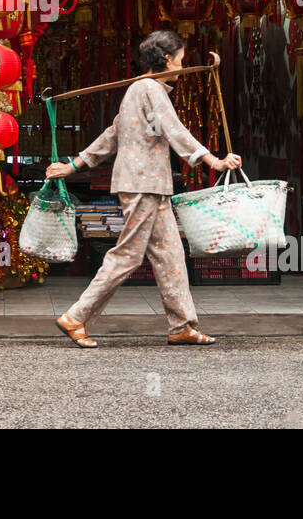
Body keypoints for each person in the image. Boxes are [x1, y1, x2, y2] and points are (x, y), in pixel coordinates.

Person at [45, 30, 242, 347]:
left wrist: (74, 165)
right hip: (142, 184)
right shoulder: (149, 89)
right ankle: (76, 317)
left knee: (170, 255)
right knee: (127, 255)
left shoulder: (140, 90)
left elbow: (113, 133)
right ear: (167, 58)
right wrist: (213, 161)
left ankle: (181, 326)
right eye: (180, 58)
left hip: (151, 184)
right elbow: (172, 128)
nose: (182, 64)